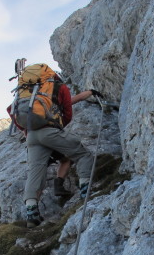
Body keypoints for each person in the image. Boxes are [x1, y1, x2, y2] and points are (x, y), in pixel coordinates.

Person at [8, 70, 102, 227]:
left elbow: (12, 112)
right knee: (83, 154)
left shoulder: (26, 94)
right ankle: (85, 191)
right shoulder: (58, 87)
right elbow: (68, 111)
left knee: (35, 172)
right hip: (49, 131)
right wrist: (58, 125)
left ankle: (31, 212)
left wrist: (27, 131)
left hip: (31, 136)